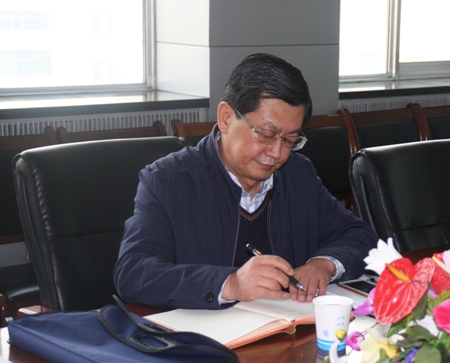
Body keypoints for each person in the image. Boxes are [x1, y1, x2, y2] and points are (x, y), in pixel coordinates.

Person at [114, 53, 377, 309]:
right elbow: (133, 273)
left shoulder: (297, 174)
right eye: (265, 134)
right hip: (202, 333)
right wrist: (230, 283)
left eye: (290, 140)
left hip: (286, 329)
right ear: (226, 118)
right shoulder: (168, 181)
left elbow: (359, 234)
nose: (277, 153)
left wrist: (324, 264)